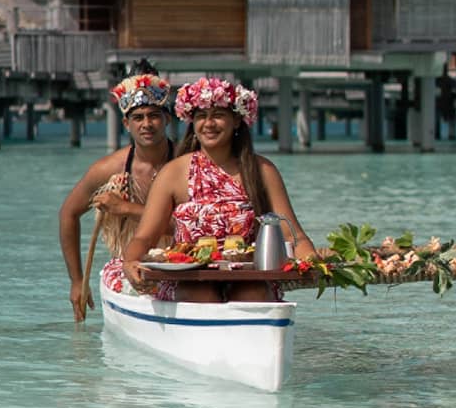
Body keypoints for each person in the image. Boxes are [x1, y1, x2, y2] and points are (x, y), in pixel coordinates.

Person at [123, 76, 317, 303]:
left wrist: (311, 262)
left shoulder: (262, 170)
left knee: (254, 295)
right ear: (192, 124)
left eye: (218, 115)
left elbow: (293, 235)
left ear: (236, 120)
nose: (209, 124)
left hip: (249, 278)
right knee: (203, 295)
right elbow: (144, 237)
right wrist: (130, 262)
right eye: (201, 116)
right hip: (188, 279)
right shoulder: (173, 173)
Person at [58, 62, 176, 321]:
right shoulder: (109, 169)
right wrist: (77, 281)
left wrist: (125, 208)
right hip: (130, 266)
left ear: (167, 118)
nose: (147, 124)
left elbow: (196, 227)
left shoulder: (188, 164)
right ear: (126, 123)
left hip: (183, 264)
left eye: (154, 115)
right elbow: (68, 214)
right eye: (138, 117)